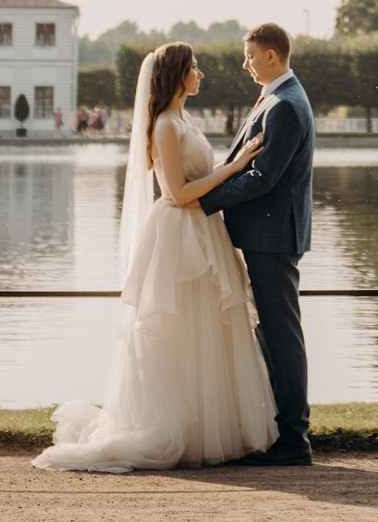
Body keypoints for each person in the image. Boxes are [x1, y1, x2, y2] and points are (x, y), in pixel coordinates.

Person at [35, 41, 274, 472]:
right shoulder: (165, 124)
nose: (201, 75)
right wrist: (234, 168)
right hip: (179, 234)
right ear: (177, 74)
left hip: (203, 230)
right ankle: (177, 427)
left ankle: (211, 427)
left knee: (207, 331)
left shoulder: (184, 119)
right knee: (179, 331)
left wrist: (229, 172)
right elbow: (179, 193)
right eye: (195, 68)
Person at [200, 23, 316, 465]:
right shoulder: (276, 97)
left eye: (250, 55)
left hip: (273, 236)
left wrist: (204, 201)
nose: (245, 64)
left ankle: (293, 440)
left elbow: (263, 177)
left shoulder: (285, 105)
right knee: (271, 332)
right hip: (266, 235)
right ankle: (283, 431)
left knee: (281, 335)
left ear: (271, 55)